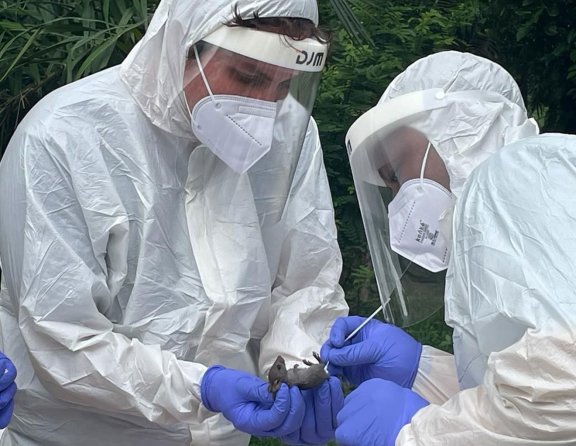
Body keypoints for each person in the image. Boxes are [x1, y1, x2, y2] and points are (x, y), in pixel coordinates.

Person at [0, 0, 348, 444]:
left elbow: (306, 277)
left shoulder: (289, 131)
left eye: (283, 86)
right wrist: (200, 387)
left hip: (224, 432)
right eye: (247, 76)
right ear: (182, 45)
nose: (263, 107)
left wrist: (299, 366)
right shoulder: (64, 135)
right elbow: (62, 338)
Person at [320, 51, 576, 445]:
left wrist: (417, 436)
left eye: (396, 172)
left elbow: (565, 386)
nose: (398, 196)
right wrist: (422, 372)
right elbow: (525, 404)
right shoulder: (521, 193)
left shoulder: (511, 175)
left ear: (456, 127)